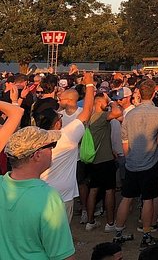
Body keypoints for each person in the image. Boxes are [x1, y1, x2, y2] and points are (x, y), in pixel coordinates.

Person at [0, 126, 75, 260]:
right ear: (37, 155)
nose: (52, 150)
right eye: (51, 146)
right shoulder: (48, 198)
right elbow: (63, 255)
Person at [112, 78, 158, 247]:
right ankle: (146, 234)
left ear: (139, 94)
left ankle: (118, 232)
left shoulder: (130, 114)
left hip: (132, 162)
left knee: (126, 198)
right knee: (148, 199)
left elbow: (125, 140)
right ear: (154, 93)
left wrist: (130, 158)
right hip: (151, 161)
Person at [40, 70, 96, 222]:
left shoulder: (34, 139)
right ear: (58, 123)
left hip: (40, 193)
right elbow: (88, 110)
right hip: (63, 195)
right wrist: (89, 83)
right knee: (61, 236)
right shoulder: (67, 136)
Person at [85, 90, 124, 232]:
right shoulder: (101, 116)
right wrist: (111, 100)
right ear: (100, 102)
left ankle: (90, 221)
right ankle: (110, 223)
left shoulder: (87, 117)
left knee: (93, 190)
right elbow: (118, 112)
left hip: (92, 159)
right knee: (109, 191)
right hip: (105, 159)